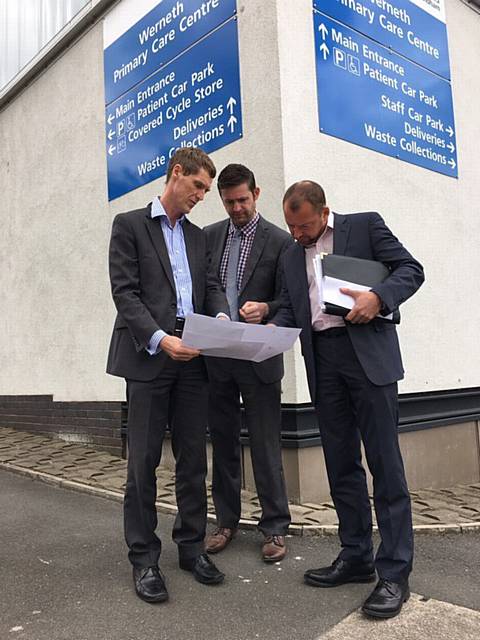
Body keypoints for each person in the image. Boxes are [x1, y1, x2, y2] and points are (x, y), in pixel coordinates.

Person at [271, 181, 424, 618]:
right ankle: (356, 555)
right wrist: (264, 317)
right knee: (340, 464)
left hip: (368, 357)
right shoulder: (289, 253)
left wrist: (379, 298)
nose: (297, 235)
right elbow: (291, 308)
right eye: (290, 227)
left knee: (384, 463)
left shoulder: (365, 226)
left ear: (325, 213)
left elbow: (410, 270)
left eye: (303, 226)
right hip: (324, 361)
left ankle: (394, 573)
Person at [106, 148, 230, 604]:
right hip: (150, 355)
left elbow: (211, 285)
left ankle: (191, 548)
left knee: (194, 457)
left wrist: (219, 314)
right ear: (177, 174)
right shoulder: (129, 225)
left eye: (206, 190)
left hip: (193, 353)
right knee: (142, 462)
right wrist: (161, 339)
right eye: (198, 186)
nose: (202, 196)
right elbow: (125, 292)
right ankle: (144, 558)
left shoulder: (198, 238)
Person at [203, 164, 292, 562]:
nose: (237, 208)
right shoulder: (208, 237)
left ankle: (274, 527)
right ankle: (225, 522)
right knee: (222, 443)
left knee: (265, 444)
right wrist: (220, 312)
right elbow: (207, 289)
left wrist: (267, 307)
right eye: (229, 201)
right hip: (219, 358)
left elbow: (292, 300)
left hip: (259, 359)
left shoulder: (280, 240)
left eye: (242, 199)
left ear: (257, 193)